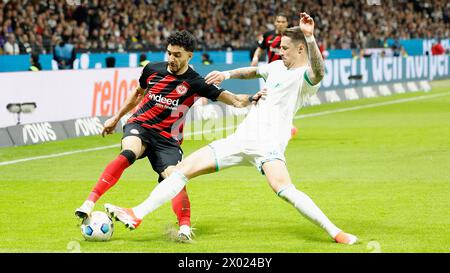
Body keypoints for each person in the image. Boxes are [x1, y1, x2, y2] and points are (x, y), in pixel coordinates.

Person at [104, 13, 358, 245]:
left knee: (284, 190)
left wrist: (311, 37)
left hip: (268, 144)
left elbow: (320, 72)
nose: (280, 52)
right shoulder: (278, 67)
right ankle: (136, 214)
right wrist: (226, 74)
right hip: (241, 139)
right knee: (181, 171)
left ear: (301, 48)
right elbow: (253, 71)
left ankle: (335, 232)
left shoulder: (305, 77)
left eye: (284, 48)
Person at [75, 30, 265, 241]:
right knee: (128, 153)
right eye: (169, 53)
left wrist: (251, 98)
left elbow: (234, 99)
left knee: (175, 178)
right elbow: (137, 94)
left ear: (189, 56)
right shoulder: (152, 69)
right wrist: (115, 118)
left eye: (177, 55)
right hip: (141, 125)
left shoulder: (195, 82)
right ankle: (89, 202)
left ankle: (184, 228)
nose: (171, 59)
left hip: (168, 140)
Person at [250, 12, 298, 138]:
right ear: (275, 22)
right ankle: (277, 126)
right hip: (271, 71)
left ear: (287, 23)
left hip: (288, 71)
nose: (281, 24)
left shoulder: (292, 36)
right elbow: (260, 49)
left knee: (284, 98)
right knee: (269, 97)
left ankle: (286, 125)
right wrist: (255, 58)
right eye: (279, 21)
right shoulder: (268, 35)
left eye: (283, 22)